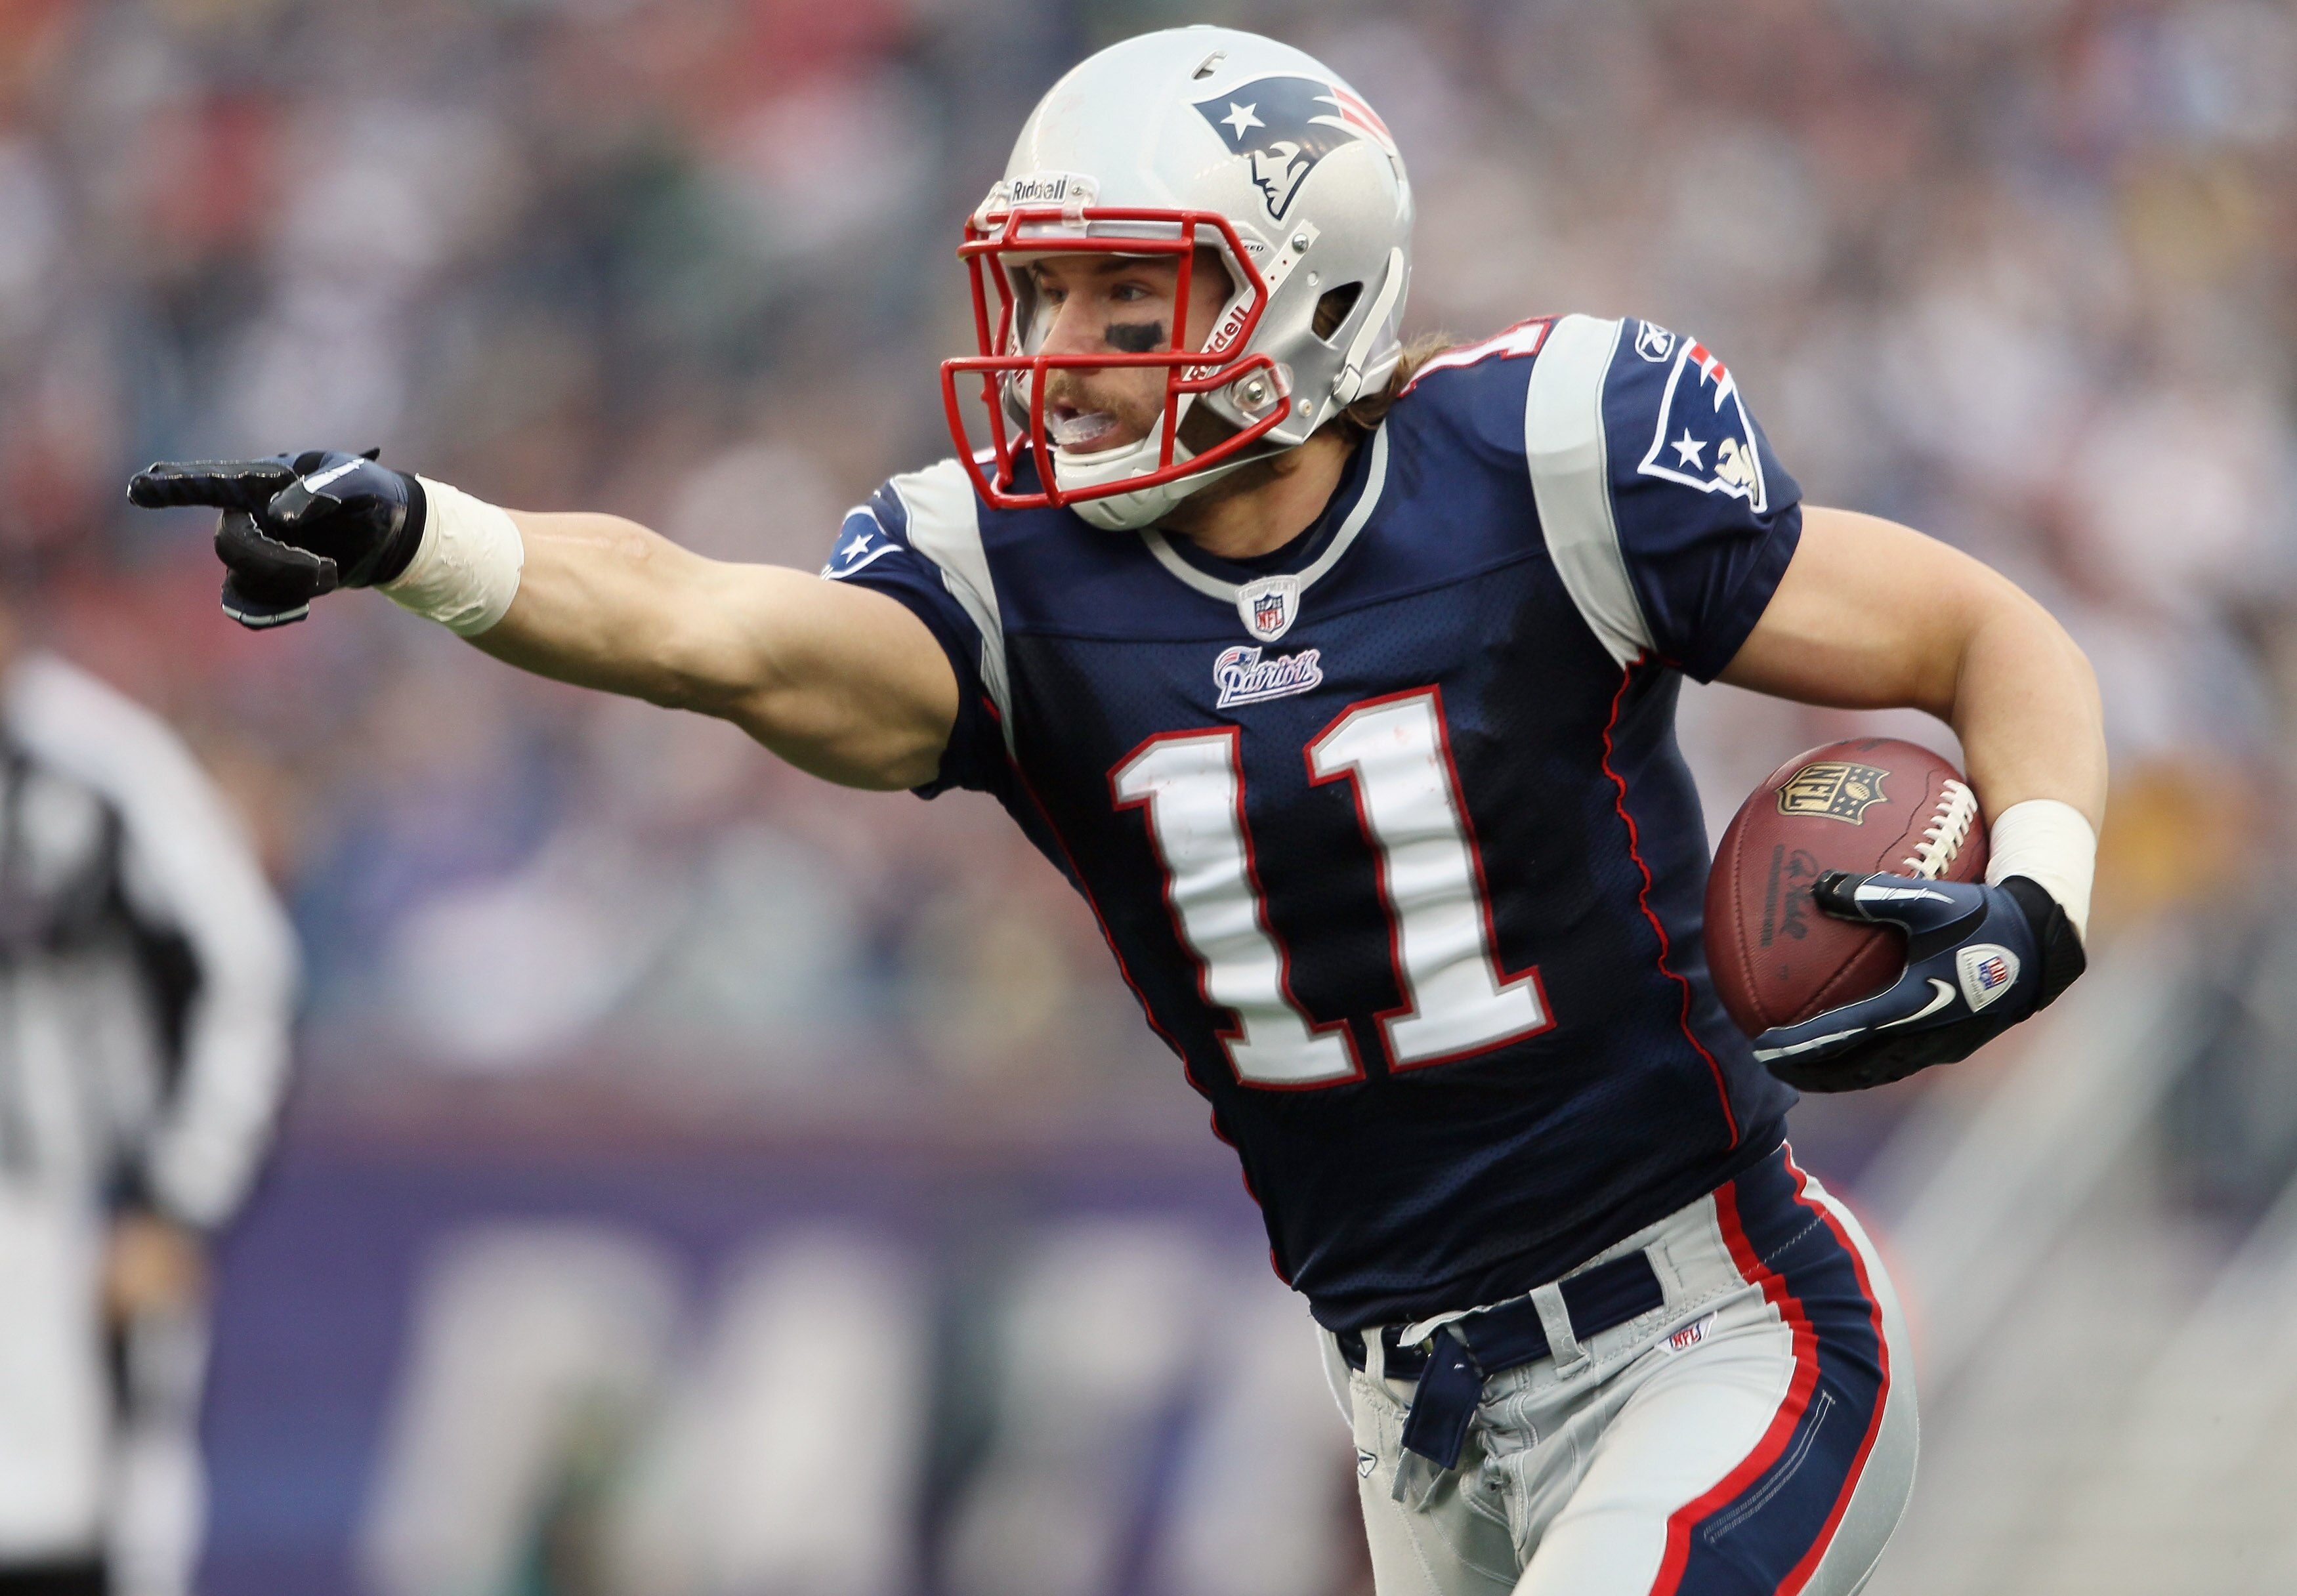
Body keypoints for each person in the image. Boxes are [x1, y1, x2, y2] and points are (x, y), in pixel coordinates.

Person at [127, 26, 2103, 1595]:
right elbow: (703, 626)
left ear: (1308, 298)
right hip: (1409, 1408)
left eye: (1121, 303)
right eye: (1043, 295)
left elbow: (1974, 625)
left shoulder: (1545, 466)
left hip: (1716, 1330)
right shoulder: (1003, 584)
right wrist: (422, 535)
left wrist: (2039, 889)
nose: (1057, 360)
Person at [0, 598, 298, 1596]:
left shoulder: (101, 763)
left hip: (75, 1216)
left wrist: (173, 1203)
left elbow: (244, 972)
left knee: (100, 1523)